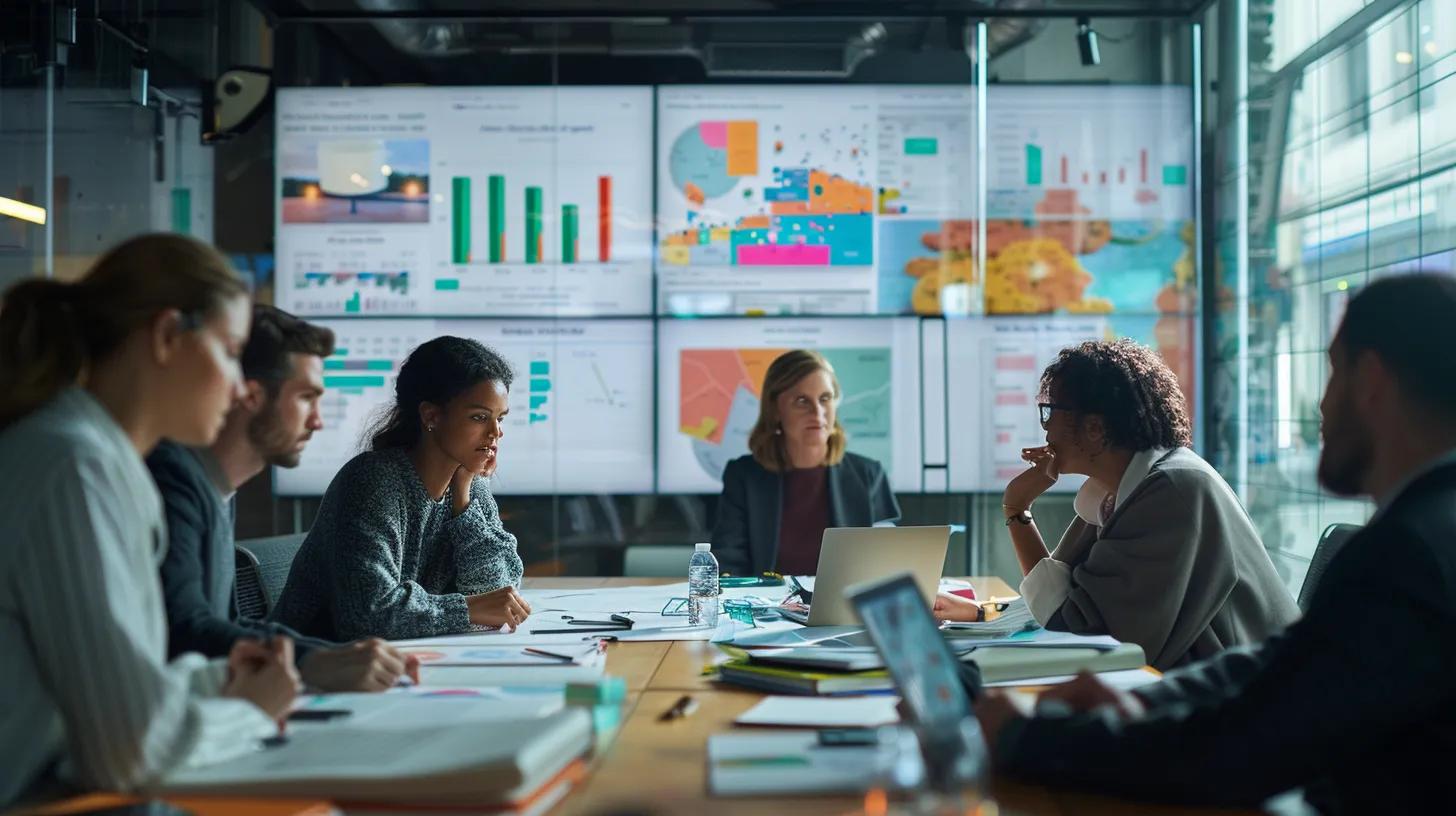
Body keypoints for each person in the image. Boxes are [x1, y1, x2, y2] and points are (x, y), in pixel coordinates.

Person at [973, 273, 1456, 812]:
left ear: (1370, 381)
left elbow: (1245, 743)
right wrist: (1147, 699)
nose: (1320, 405)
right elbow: (1274, 668)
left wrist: (1026, 739)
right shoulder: (1425, 533)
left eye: (1333, 373)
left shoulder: (1406, 555)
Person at [0, 235, 299, 806]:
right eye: (231, 350)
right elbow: (130, 751)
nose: (241, 389)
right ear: (167, 336)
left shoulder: (96, 458)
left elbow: (87, 692)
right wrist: (251, 712)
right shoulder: (74, 467)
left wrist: (220, 681)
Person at [934, 339, 1297, 670]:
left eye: (1050, 411)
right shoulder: (1119, 488)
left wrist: (1016, 508)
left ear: (1093, 428)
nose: (1045, 429)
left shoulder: (1172, 490)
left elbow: (1078, 631)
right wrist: (985, 613)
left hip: (1239, 704)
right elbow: (1067, 601)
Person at [148, 304, 417, 692]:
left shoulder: (218, 490)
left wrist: (332, 655)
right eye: (307, 397)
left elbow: (226, 627)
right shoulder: (172, 481)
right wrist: (316, 661)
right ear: (251, 395)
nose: (317, 421)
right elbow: (184, 632)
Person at [271, 336, 530, 641]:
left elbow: (496, 595)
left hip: (395, 661)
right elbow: (367, 615)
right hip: (313, 666)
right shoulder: (373, 481)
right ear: (431, 416)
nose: (495, 433)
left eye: (500, 419)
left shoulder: (470, 484)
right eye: (479, 417)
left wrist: (464, 501)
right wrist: (466, 610)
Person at [712, 349, 900, 577]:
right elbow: (729, 567)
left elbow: (889, 567)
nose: (818, 412)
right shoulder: (743, 476)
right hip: (767, 609)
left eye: (825, 399)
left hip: (843, 608)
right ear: (775, 410)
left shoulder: (869, 474)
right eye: (802, 401)